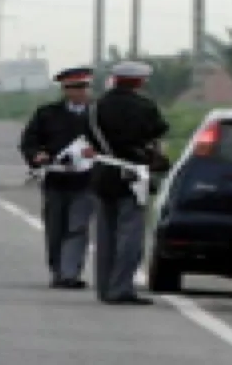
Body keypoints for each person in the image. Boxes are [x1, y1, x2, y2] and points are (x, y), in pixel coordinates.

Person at [83, 61, 169, 305]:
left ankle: (104, 287)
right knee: (130, 236)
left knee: (105, 234)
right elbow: (157, 135)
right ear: (139, 82)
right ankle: (121, 288)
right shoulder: (145, 107)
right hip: (132, 174)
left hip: (103, 173)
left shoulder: (95, 107)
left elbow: (89, 139)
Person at [19, 66, 95, 289]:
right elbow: (28, 141)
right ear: (65, 89)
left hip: (86, 180)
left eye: (83, 86)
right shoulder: (47, 114)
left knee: (78, 227)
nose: (80, 92)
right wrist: (36, 155)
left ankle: (70, 273)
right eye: (74, 87)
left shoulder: (97, 114)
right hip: (55, 180)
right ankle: (58, 270)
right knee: (55, 228)